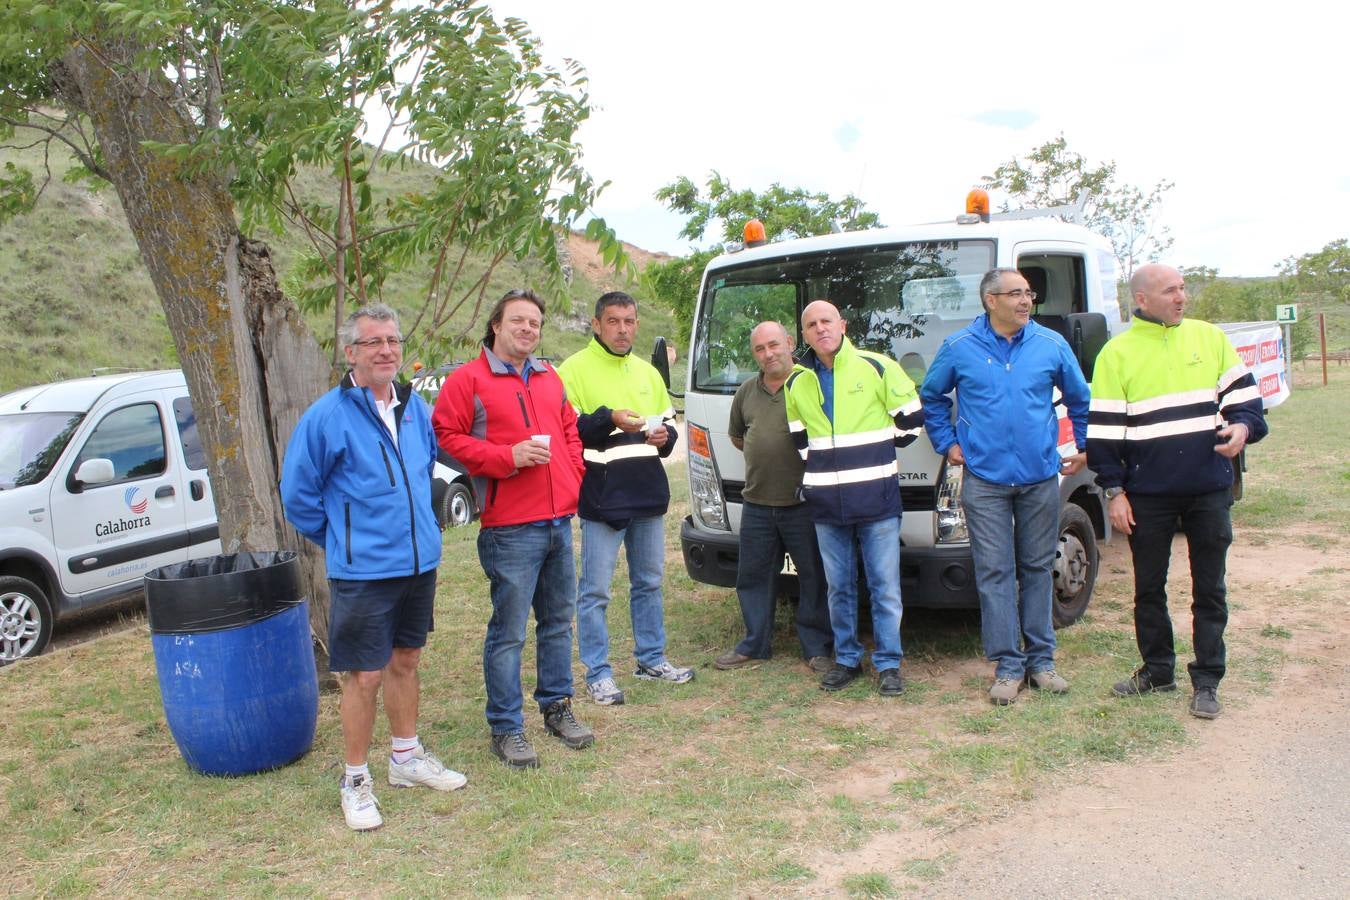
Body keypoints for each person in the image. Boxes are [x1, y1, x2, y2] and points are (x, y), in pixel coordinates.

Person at [281, 303, 465, 832]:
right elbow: (299, 498)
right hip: (363, 571)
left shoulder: (416, 408)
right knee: (363, 674)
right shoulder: (326, 418)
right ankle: (356, 779)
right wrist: (345, 540)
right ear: (351, 353)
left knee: (405, 659)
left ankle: (405, 759)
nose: (385, 350)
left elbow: (426, 464)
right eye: (372, 343)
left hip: (417, 562)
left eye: (392, 341)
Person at [1088, 263, 1267, 719]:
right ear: (1142, 300)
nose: (1181, 297)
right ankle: (1157, 671)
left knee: (1210, 589)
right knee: (1148, 589)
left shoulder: (1209, 338)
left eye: (1183, 289)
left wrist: (1243, 429)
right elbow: (1105, 435)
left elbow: (1248, 406)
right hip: (1147, 495)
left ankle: (1207, 680)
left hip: (1208, 491)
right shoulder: (1117, 354)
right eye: (1170, 291)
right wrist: (1115, 492)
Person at [433, 289, 593, 769]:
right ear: (496, 326)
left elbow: (569, 429)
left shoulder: (548, 377)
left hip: (557, 521)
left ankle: (556, 706)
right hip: (509, 528)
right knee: (508, 633)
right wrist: (506, 458)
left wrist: (573, 475)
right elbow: (446, 436)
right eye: (518, 321)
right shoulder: (468, 380)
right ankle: (506, 727)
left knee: (558, 622)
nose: (528, 329)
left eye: (535, 323)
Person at [921, 268, 1091, 705]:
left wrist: (1086, 446)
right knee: (996, 574)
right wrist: (948, 443)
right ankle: (1008, 666)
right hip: (985, 479)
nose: (1025, 301)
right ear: (990, 300)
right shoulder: (960, 347)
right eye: (1016, 293)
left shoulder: (1051, 344)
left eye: (1028, 293)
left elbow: (1080, 397)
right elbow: (932, 397)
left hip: (1038, 478)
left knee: (1036, 569)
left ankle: (1041, 662)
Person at [557, 291, 693, 705]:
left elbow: (668, 432)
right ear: (596, 324)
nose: (622, 329)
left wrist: (663, 436)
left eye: (629, 321)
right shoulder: (573, 370)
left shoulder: (649, 374)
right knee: (595, 591)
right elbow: (571, 429)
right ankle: (598, 673)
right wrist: (609, 417)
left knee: (649, 583)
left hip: (647, 493)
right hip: (601, 498)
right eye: (613, 321)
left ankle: (651, 659)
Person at [783, 300, 925, 696]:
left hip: (876, 498)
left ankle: (889, 663)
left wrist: (878, 452)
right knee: (839, 586)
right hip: (826, 503)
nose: (820, 329)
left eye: (826, 321)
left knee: (884, 585)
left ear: (842, 325)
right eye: (811, 325)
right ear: (805, 334)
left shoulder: (876, 366)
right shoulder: (797, 381)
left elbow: (912, 419)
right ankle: (847, 659)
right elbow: (799, 437)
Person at [714, 321, 833, 673]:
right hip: (757, 503)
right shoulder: (747, 392)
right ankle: (755, 644)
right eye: (759, 349)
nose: (768, 354)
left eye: (773, 345)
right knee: (753, 576)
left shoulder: (811, 384)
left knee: (814, 577)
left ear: (790, 343)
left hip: (804, 503)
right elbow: (738, 436)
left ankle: (816, 647)